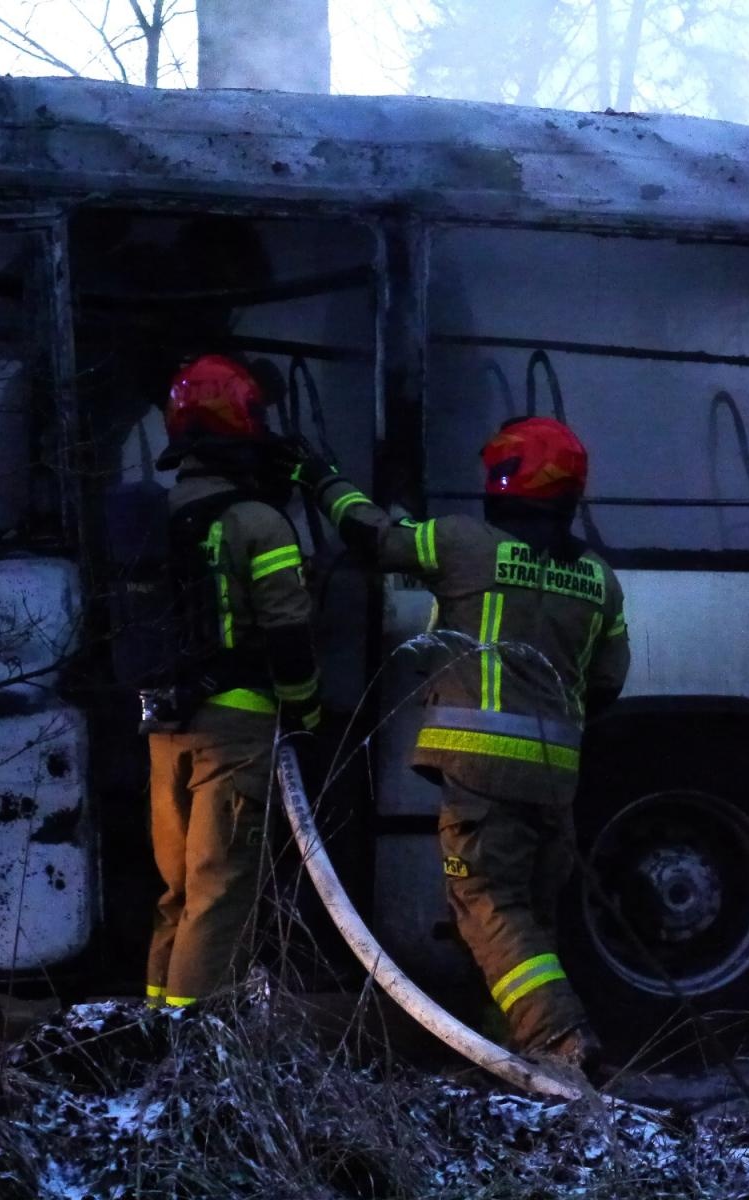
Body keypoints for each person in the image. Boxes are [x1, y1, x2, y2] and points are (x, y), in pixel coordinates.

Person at [299, 416, 628, 1072]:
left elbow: (373, 537)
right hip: (557, 777)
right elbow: (608, 681)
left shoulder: (462, 543)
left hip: (480, 773)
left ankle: (558, 1040)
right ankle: (509, 1062)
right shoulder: (600, 579)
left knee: (485, 903)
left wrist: (322, 479)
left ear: (503, 481)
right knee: (530, 916)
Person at [142, 354, 323, 1011]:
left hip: (164, 726)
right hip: (237, 729)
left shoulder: (153, 519)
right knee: (219, 891)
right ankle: (195, 1056)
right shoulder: (258, 523)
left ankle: (155, 1022)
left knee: (178, 892)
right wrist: (306, 711)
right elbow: (288, 632)